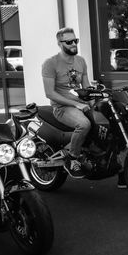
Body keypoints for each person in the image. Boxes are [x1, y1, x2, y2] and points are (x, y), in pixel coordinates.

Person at [41, 27, 91, 178]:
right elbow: (49, 93)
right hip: (62, 107)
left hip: (80, 104)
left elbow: (87, 87)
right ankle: (72, 158)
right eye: (69, 42)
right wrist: (76, 104)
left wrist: (97, 97)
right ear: (59, 43)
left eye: (75, 41)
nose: (74, 44)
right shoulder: (50, 63)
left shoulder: (81, 61)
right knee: (84, 125)